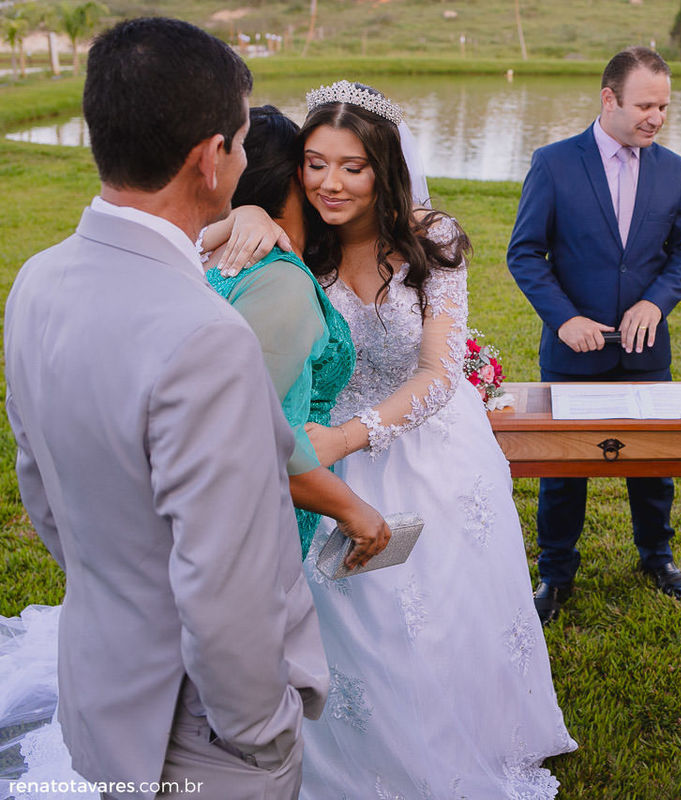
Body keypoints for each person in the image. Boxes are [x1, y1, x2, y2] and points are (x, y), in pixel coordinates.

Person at [1, 17, 327, 799]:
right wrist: (263, 735)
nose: (244, 160)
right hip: (202, 733)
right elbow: (227, 583)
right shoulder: (208, 337)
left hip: (102, 682)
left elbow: (40, 487)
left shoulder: (36, 279)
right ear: (210, 159)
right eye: (241, 142)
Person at [290, 82, 576, 798]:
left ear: (384, 168)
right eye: (315, 163)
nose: (329, 183)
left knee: (435, 615)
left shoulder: (432, 240)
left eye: (352, 166)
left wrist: (347, 438)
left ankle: (459, 745)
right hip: (324, 453)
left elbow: (441, 372)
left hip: (425, 451)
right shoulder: (296, 232)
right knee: (349, 617)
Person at [507, 46, 681, 624]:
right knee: (563, 471)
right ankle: (555, 573)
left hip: (647, 351)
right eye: (645, 105)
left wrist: (655, 302)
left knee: (652, 464)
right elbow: (525, 253)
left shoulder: (673, 169)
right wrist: (565, 319)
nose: (656, 117)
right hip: (572, 350)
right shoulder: (553, 163)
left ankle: (657, 557)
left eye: (663, 106)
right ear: (609, 99)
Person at [204, 105, 390, 564]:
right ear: (291, 179)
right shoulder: (279, 280)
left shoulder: (211, 251)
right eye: (313, 166)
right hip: (262, 518)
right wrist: (354, 510)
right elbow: (257, 433)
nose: (327, 184)